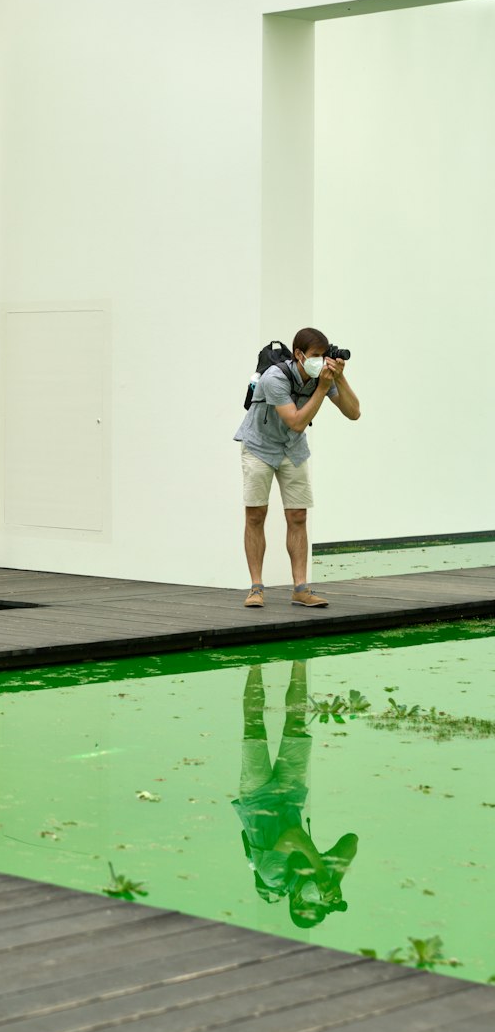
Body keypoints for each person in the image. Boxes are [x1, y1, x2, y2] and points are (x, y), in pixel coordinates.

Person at [234, 327, 360, 608]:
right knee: (256, 514)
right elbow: (297, 421)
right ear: (299, 355)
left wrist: (341, 377)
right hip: (259, 446)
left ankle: (300, 588)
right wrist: (325, 388)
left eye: (324, 355)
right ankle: (256, 587)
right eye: (316, 356)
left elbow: (354, 412)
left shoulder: (321, 377)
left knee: (298, 516)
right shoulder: (274, 377)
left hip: (292, 448)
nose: (321, 361)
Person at [233, 662, 358, 929]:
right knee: (296, 725)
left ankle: (256, 661)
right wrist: (334, 880)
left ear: (297, 902)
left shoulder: (273, 876)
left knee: (254, 730)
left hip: (256, 798)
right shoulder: (320, 872)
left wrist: (322, 871)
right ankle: (300, 657)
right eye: (321, 903)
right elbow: (351, 841)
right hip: (290, 798)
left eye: (310, 904)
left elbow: (294, 837)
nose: (317, 898)